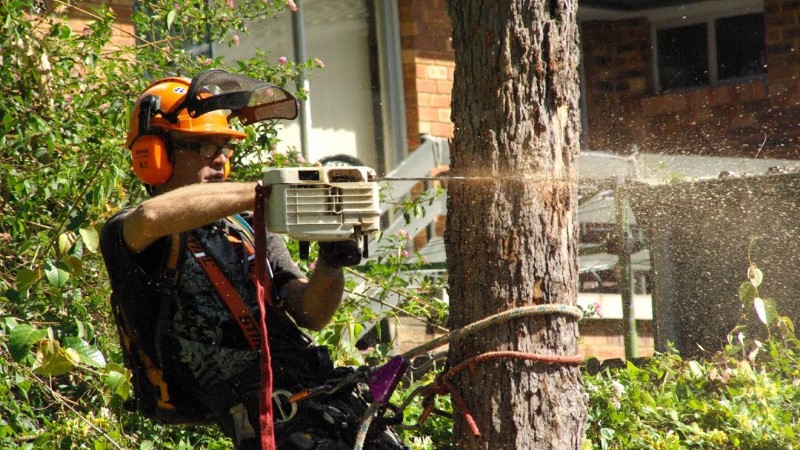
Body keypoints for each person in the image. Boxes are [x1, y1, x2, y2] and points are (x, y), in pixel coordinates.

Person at [100, 73, 407, 449]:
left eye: (224, 149)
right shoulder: (128, 232)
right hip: (268, 422)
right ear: (155, 155)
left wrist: (330, 263)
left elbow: (311, 313)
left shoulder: (244, 225)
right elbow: (152, 217)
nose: (219, 162)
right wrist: (268, 190)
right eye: (204, 148)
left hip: (323, 398)